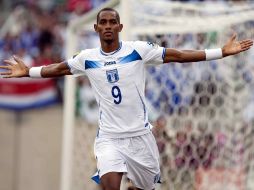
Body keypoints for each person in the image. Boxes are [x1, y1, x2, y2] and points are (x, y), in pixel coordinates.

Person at [0, 7, 253, 190]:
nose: (108, 25)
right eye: (104, 22)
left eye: (113, 22)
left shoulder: (138, 51)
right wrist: (28, 71)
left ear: (120, 27)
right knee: (110, 183)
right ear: (96, 28)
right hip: (109, 137)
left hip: (140, 136)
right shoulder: (87, 57)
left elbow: (178, 55)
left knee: (146, 188)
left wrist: (220, 52)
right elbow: (60, 68)